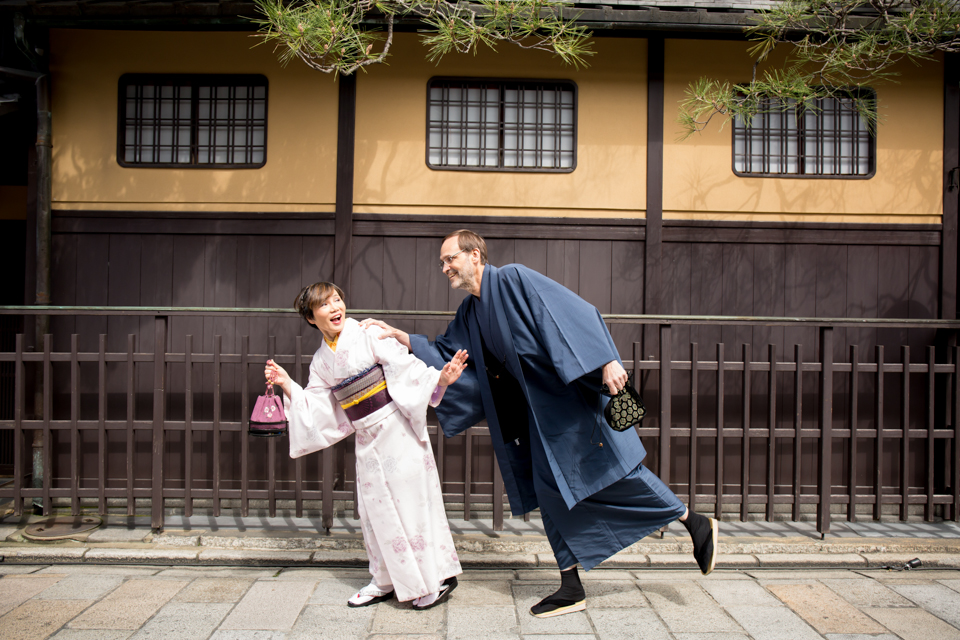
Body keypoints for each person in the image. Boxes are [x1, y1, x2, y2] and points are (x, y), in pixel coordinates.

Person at [362, 229, 719, 618]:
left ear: (475, 255)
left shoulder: (514, 278)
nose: (445, 267)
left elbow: (571, 313)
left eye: (451, 259)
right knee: (549, 493)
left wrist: (606, 360)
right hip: (533, 413)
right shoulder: (470, 311)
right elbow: (449, 351)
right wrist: (402, 337)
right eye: (442, 263)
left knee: (616, 473)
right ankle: (570, 585)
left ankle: (695, 522)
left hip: (567, 398)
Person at [265, 281, 468, 610]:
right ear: (311, 317)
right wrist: (287, 383)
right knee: (375, 512)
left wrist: (439, 379)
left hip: (397, 430)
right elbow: (318, 407)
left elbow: (404, 367)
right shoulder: (321, 361)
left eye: (337, 300)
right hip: (366, 438)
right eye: (325, 304)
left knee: (412, 504)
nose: (335, 307)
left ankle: (438, 577)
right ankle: (384, 580)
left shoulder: (367, 333)